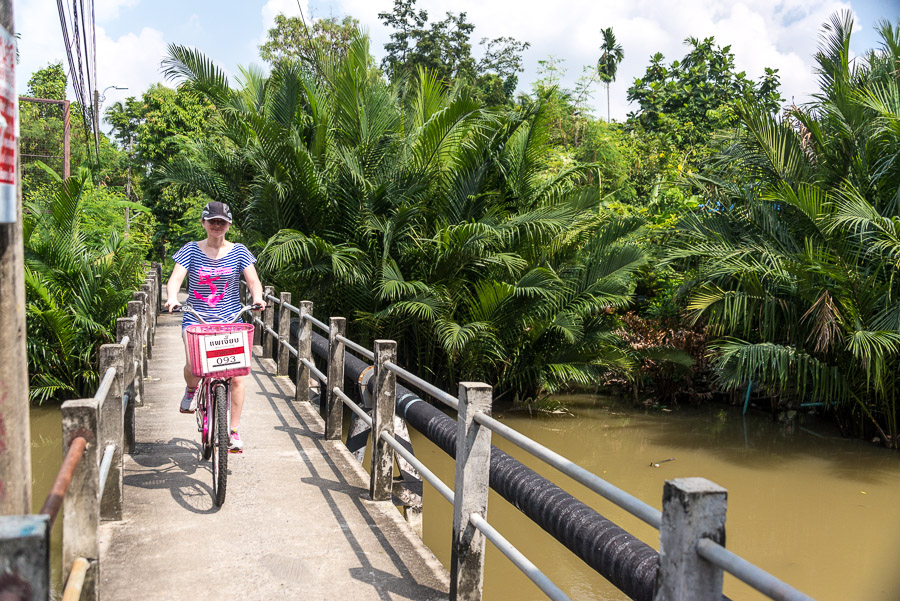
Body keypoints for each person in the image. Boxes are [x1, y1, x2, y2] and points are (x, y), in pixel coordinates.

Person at [163, 201, 266, 452]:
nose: (217, 226)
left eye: (222, 222)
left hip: (230, 318)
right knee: (195, 368)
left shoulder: (240, 251)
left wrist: (257, 299)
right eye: (212, 221)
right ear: (204, 223)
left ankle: (232, 431)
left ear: (228, 225)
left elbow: (254, 281)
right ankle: (190, 390)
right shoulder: (190, 250)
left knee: (238, 376)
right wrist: (172, 297)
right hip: (196, 317)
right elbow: (175, 279)